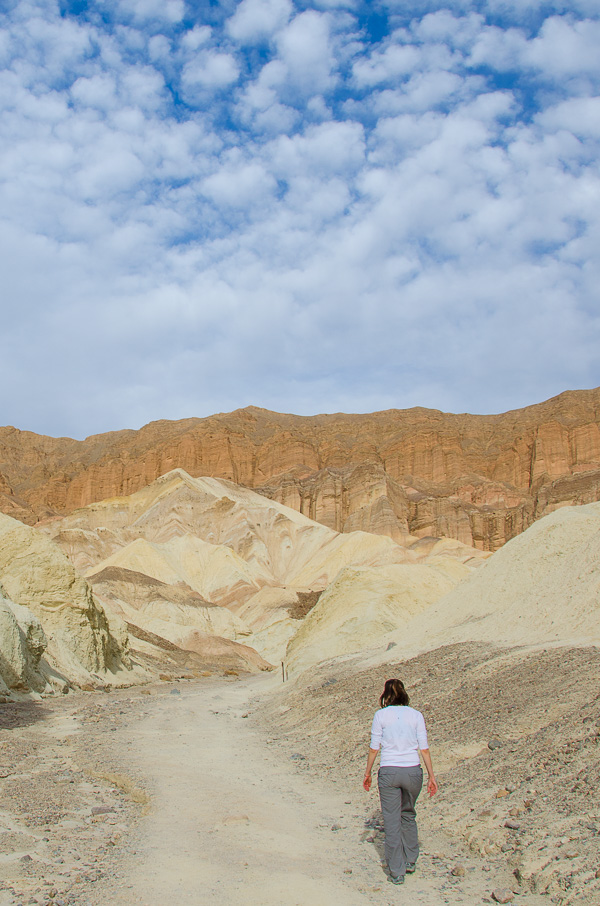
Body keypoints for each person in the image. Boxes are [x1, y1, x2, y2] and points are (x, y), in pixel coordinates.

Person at [363, 678, 438, 885]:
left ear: (386, 695)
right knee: (408, 813)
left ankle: (396, 871)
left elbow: (373, 747)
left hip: (389, 771)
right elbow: (424, 748)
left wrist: (368, 772)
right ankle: (411, 860)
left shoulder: (381, 715)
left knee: (392, 821)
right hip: (413, 771)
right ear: (404, 693)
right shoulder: (416, 715)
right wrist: (432, 776)